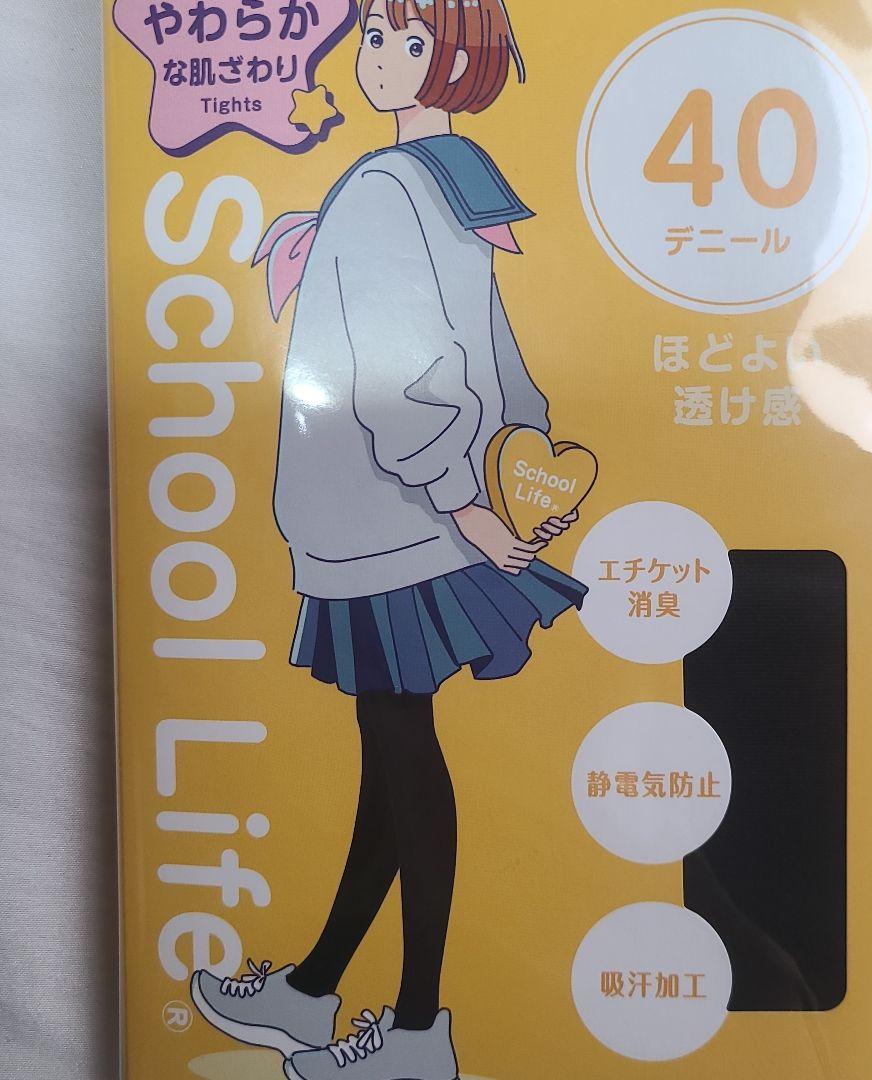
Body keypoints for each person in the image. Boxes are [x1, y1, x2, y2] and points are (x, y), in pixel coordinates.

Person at [190, 2, 585, 1078]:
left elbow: (407, 367)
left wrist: (468, 493)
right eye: (374, 35)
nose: (382, 60)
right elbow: (489, 346)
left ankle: (417, 1035)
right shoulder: (458, 180)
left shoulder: (385, 189)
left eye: (414, 42)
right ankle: (314, 993)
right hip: (421, 511)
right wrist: (523, 463)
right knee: (391, 752)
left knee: (403, 755)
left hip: (389, 519)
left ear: (462, 60)